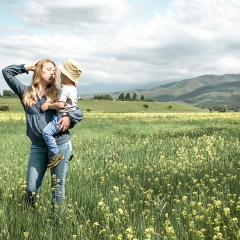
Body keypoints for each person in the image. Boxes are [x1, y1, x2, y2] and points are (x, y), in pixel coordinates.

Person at [2, 59, 84, 210]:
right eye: (49, 69)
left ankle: (56, 222)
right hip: (38, 147)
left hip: (60, 144)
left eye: (55, 70)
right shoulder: (25, 92)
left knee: (57, 188)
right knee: (31, 189)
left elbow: (78, 111)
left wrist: (69, 118)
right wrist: (28, 67)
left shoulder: (59, 92)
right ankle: (29, 216)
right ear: (39, 71)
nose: (53, 72)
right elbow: (6, 72)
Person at [40, 59, 81, 168]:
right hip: (66, 116)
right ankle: (69, 151)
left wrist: (48, 106)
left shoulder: (65, 89)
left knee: (47, 133)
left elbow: (61, 105)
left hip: (60, 117)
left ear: (67, 76)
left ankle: (56, 154)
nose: (60, 76)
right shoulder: (74, 89)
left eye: (62, 74)